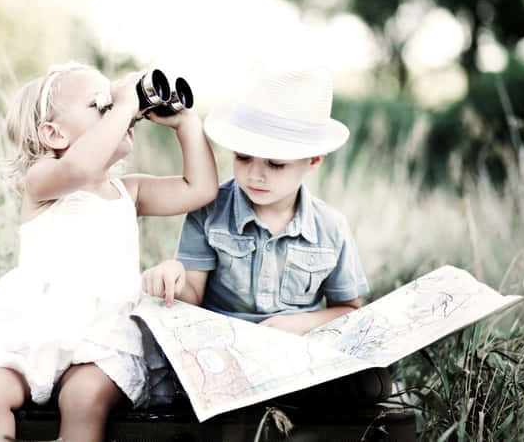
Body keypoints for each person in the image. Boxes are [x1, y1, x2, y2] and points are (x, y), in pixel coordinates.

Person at [0, 61, 218, 442]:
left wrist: (187, 124)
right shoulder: (43, 181)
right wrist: (124, 106)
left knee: (84, 397)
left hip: (102, 339)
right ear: (54, 134)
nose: (120, 111)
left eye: (116, 106)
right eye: (100, 105)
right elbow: (79, 167)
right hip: (33, 333)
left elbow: (199, 189)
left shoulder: (129, 191)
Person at [142, 66, 390, 401]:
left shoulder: (331, 227)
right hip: (221, 351)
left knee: (374, 383)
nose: (255, 175)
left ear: (313, 159)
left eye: (275, 164)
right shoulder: (210, 210)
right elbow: (192, 297)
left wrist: (300, 324)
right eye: (243, 157)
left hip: (293, 351)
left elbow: (348, 309)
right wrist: (172, 275)